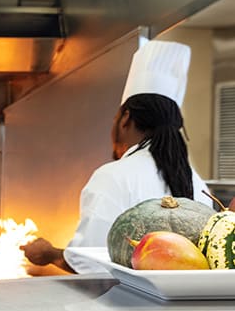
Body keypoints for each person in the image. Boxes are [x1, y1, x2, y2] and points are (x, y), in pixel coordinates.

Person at [21, 40, 213, 274]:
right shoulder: (196, 182)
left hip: (127, 306)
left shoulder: (113, 176)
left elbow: (90, 262)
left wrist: (49, 253)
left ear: (125, 119)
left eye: (115, 118)